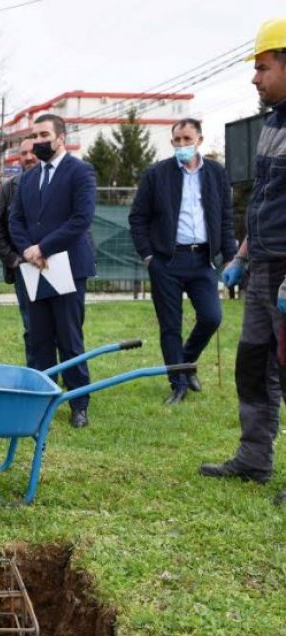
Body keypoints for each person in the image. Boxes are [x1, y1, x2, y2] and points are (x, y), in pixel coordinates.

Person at [199, 18, 286, 507]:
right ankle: (254, 458)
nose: (255, 78)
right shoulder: (274, 122)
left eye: (263, 67)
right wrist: (242, 254)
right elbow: (269, 201)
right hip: (265, 266)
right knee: (253, 365)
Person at [129, 118, 236, 405]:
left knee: (212, 317)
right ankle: (178, 383)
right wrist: (149, 256)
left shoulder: (216, 173)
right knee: (170, 325)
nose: (181, 145)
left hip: (202, 260)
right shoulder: (157, 174)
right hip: (166, 261)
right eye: (176, 140)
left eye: (187, 139)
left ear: (199, 140)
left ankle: (185, 363)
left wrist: (229, 258)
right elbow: (138, 218)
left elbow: (225, 218)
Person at [8, 113, 96, 428]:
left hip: (68, 266)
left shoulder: (80, 172)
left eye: (45, 134)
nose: (39, 141)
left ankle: (78, 402)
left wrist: (45, 248)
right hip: (35, 268)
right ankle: (43, 401)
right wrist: (30, 252)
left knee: (69, 337)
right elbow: (15, 220)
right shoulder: (28, 178)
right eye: (36, 135)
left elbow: (81, 219)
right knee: (40, 337)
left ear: (61, 136)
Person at [0, 137, 39, 367]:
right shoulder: (10, 188)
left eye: (33, 151)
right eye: (23, 154)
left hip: (57, 264)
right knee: (32, 327)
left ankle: (69, 377)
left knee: (64, 328)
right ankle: (38, 376)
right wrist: (12, 260)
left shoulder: (59, 183)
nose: (28, 157)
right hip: (24, 269)